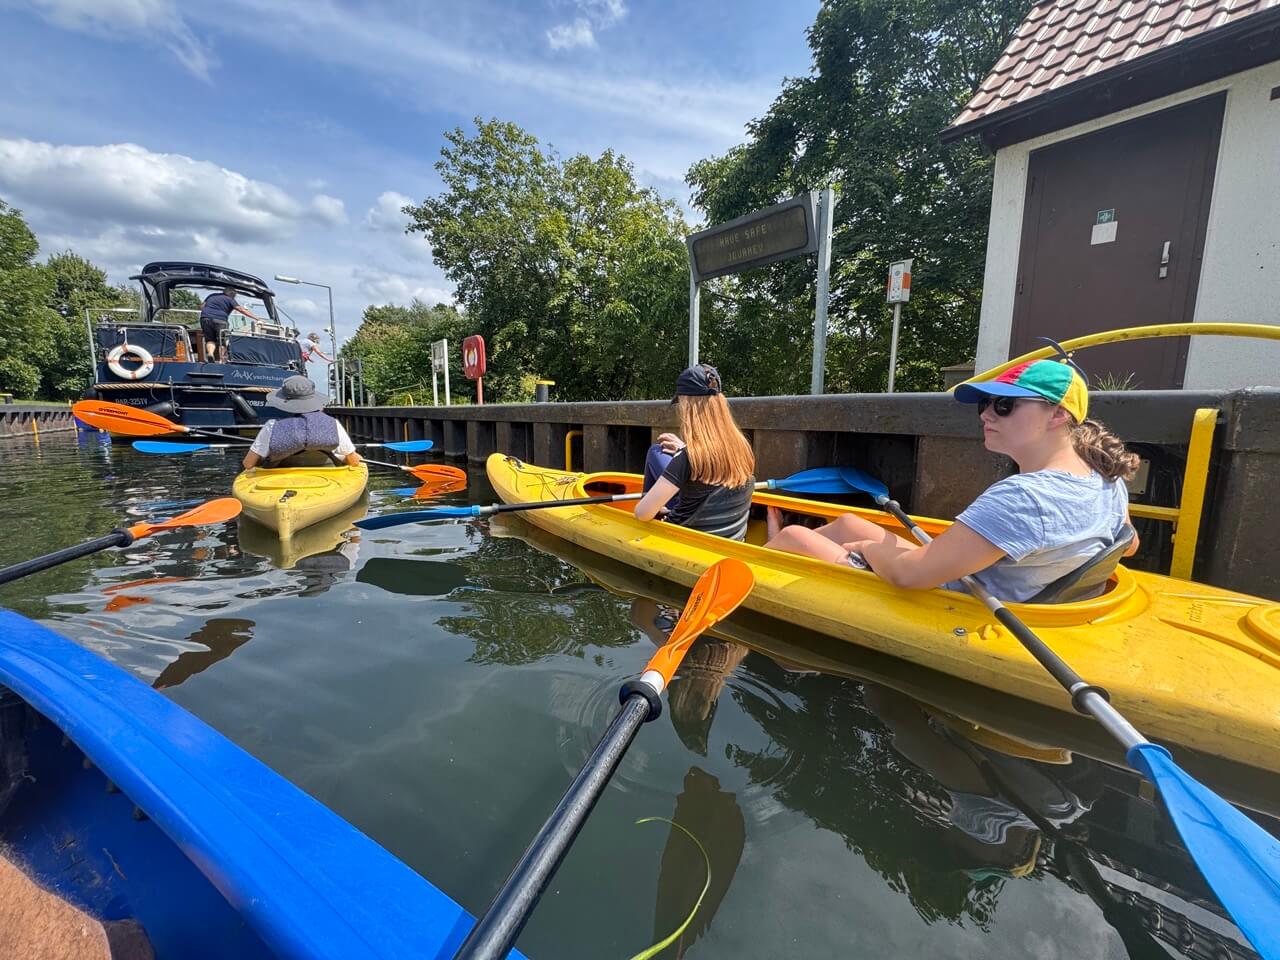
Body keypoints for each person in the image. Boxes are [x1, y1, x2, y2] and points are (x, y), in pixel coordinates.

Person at [765, 359, 1140, 602]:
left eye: (1005, 406)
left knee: (794, 536)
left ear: (1058, 415)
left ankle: (767, 574)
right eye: (986, 404)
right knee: (845, 521)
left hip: (950, 599)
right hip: (978, 578)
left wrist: (867, 548)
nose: (987, 415)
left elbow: (910, 575)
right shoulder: (1105, 479)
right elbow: (1129, 544)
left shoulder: (1025, 497)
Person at [633, 364, 755, 541]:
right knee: (656, 452)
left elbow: (642, 514)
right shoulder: (742, 448)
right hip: (730, 540)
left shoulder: (687, 459)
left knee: (655, 454)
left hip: (687, 541)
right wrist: (683, 449)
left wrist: (654, 508)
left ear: (687, 406)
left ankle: (646, 523)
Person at [242, 375, 362, 469]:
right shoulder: (333, 424)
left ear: (283, 401)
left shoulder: (272, 426)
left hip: (279, 481)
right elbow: (353, 462)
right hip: (325, 480)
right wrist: (344, 457)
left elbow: (248, 464)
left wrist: (266, 457)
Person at [199, 287, 261, 361]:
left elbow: (202, 306)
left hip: (205, 318)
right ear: (233, 295)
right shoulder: (230, 299)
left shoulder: (212, 295)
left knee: (210, 340)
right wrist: (257, 318)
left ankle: (210, 353)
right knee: (222, 342)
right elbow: (240, 309)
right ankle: (222, 360)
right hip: (220, 320)